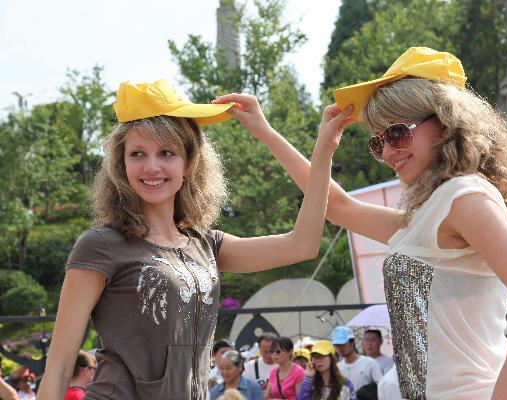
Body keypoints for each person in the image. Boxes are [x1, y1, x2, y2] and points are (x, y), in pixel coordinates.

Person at [214, 46, 507, 399]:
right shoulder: (436, 209)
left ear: (445, 121)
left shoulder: (462, 197)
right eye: (377, 141)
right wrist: (298, 139)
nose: (386, 153)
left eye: (397, 133)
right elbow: (336, 206)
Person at [37, 79, 353, 399]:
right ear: (122, 164)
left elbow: (303, 244)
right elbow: (61, 365)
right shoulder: (101, 245)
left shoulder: (205, 244)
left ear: (188, 163)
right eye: (137, 154)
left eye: (166, 152)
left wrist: (321, 147)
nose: (152, 166)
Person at [331, 326, 381, 393]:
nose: (340, 348)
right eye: (337, 345)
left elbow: (381, 387)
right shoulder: (337, 367)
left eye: (343, 344)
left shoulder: (370, 363)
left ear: (352, 343)